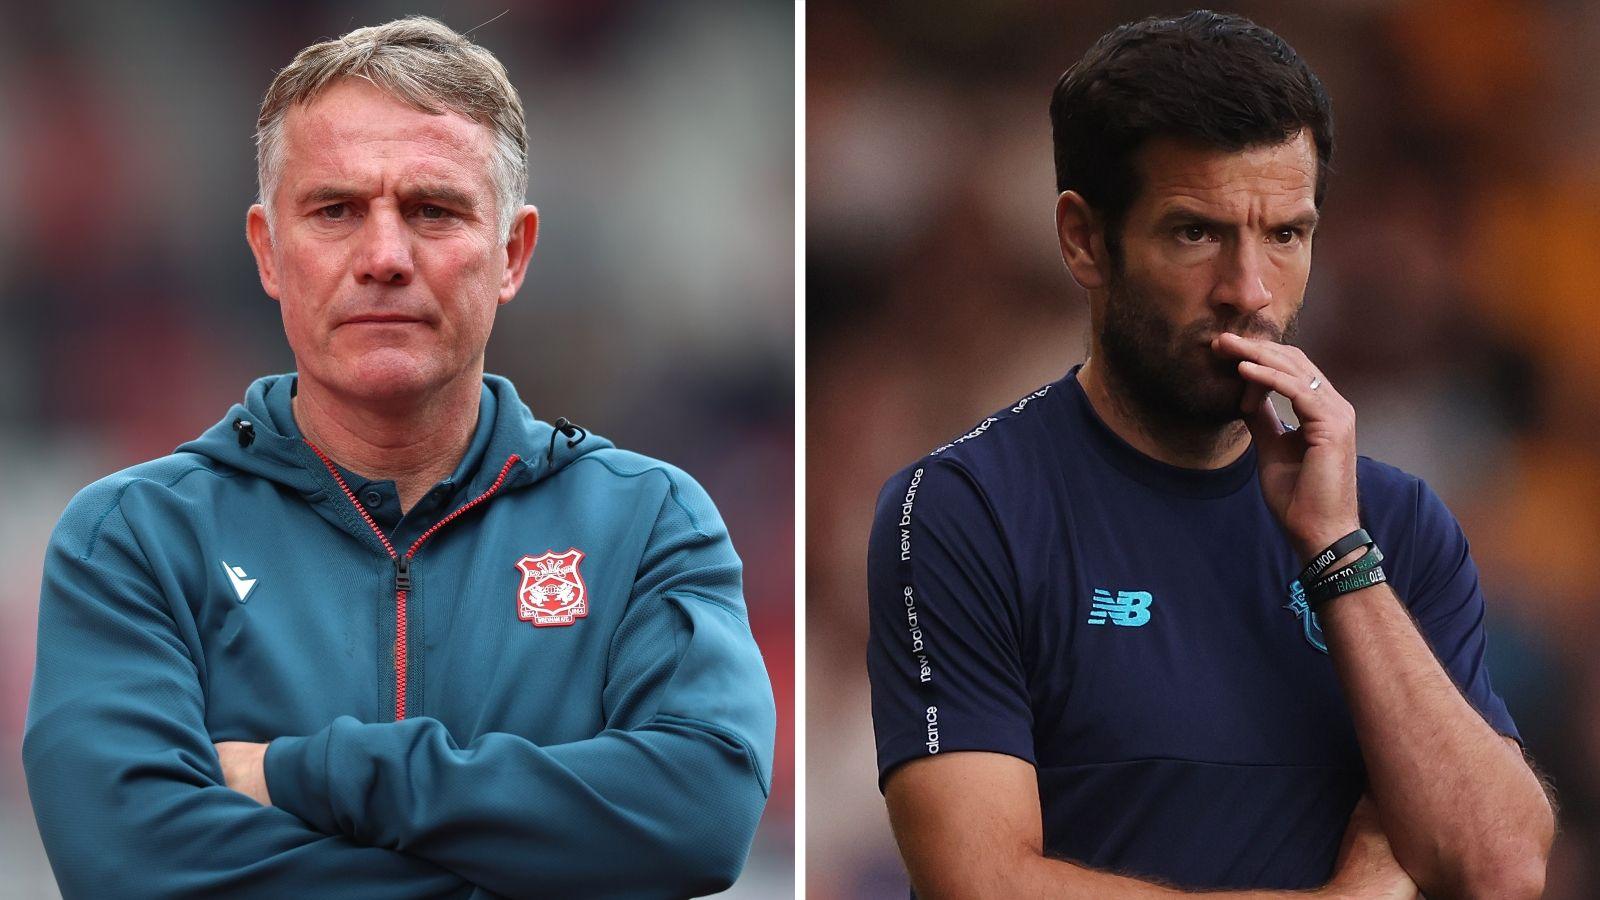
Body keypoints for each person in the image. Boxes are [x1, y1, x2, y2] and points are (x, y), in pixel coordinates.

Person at [23, 17, 774, 899]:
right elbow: (128, 868)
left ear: (513, 253)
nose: (384, 257)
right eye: (336, 210)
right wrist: (547, 862)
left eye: (433, 210)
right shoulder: (134, 539)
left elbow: (702, 815)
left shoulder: (645, 524)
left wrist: (309, 776)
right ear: (269, 251)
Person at [866, 10, 1553, 899]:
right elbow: (982, 882)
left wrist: (1339, 555)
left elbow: (1498, 866)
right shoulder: (966, 509)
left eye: (1286, 235)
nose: (1250, 292)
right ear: (1084, 238)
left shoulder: (1396, 525)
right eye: (1196, 233)